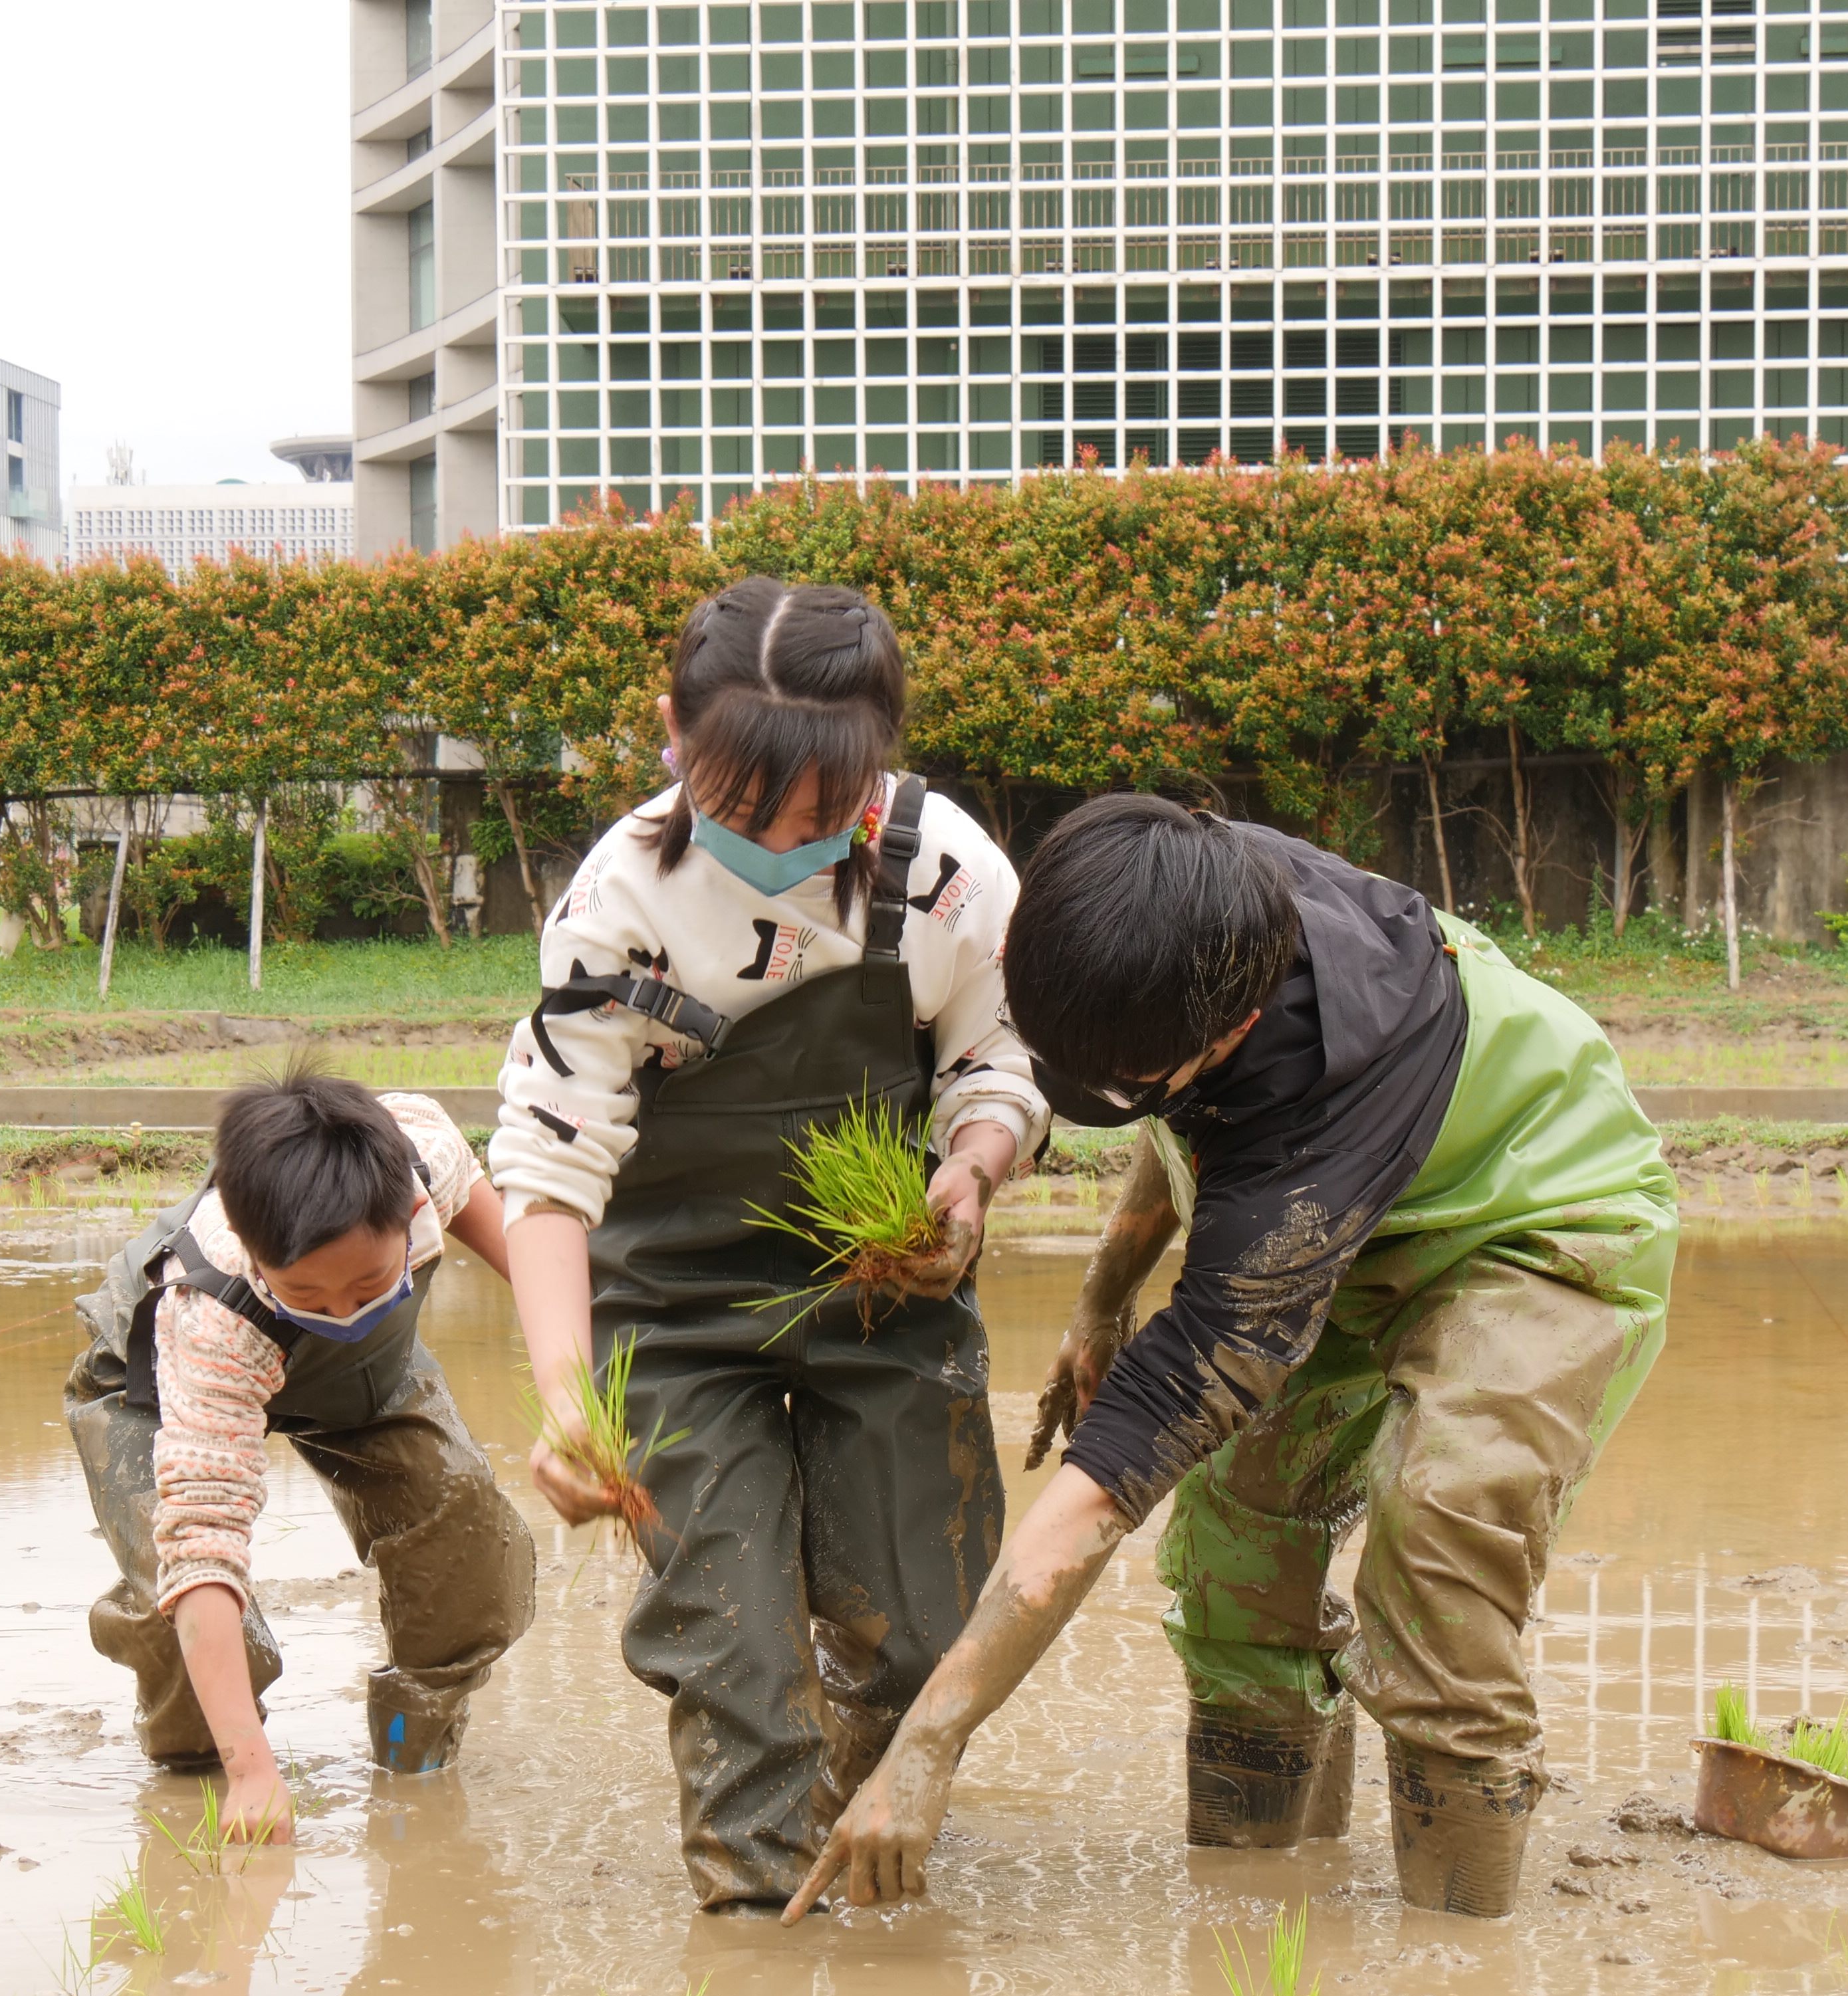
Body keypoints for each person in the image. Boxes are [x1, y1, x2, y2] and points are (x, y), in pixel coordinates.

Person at [792, 794, 1675, 1921]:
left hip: (1536, 1219)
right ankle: (1259, 1911)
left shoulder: (1306, 1113)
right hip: (1336, 1211)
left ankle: (1455, 1963)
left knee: (1440, 1539)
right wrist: (1100, 1300)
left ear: (1227, 1033)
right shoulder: (1176, 892)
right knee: (1234, 1543)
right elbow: (1198, 1123)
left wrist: (930, 1739)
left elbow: (1108, 1488)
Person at [495, 575, 1045, 1912]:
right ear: (674, 731)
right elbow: (553, 1168)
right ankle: (752, 1940)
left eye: (826, 811)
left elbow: (1003, 1057)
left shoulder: (949, 873)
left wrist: (970, 1176)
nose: (788, 839)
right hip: (673, 1312)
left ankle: (865, 1827)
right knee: (733, 1651)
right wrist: (571, 1404)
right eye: (745, 806)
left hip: (885, 1298)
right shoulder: (618, 905)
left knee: (920, 1637)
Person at [64, 1059, 536, 1841]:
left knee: (472, 1549)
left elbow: (533, 1267)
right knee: (192, 1621)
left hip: (360, 1380)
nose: (343, 1309)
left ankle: (410, 1753)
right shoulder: (209, 1315)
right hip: (155, 1389)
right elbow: (206, 1542)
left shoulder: (424, 1153)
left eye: (370, 1282)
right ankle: (200, 1772)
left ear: (411, 1212)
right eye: (311, 1296)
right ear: (251, 1246)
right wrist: (254, 1774)